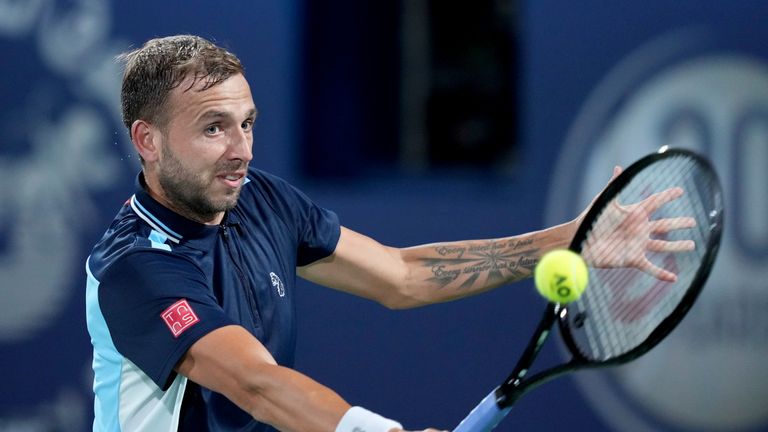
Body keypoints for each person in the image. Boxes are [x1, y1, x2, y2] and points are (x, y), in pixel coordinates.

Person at [85, 35, 693, 432]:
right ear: (148, 140)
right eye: (214, 128)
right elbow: (255, 382)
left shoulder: (261, 199)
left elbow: (401, 276)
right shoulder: (135, 268)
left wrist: (570, 237)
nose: (242, 150)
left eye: (248, 123)